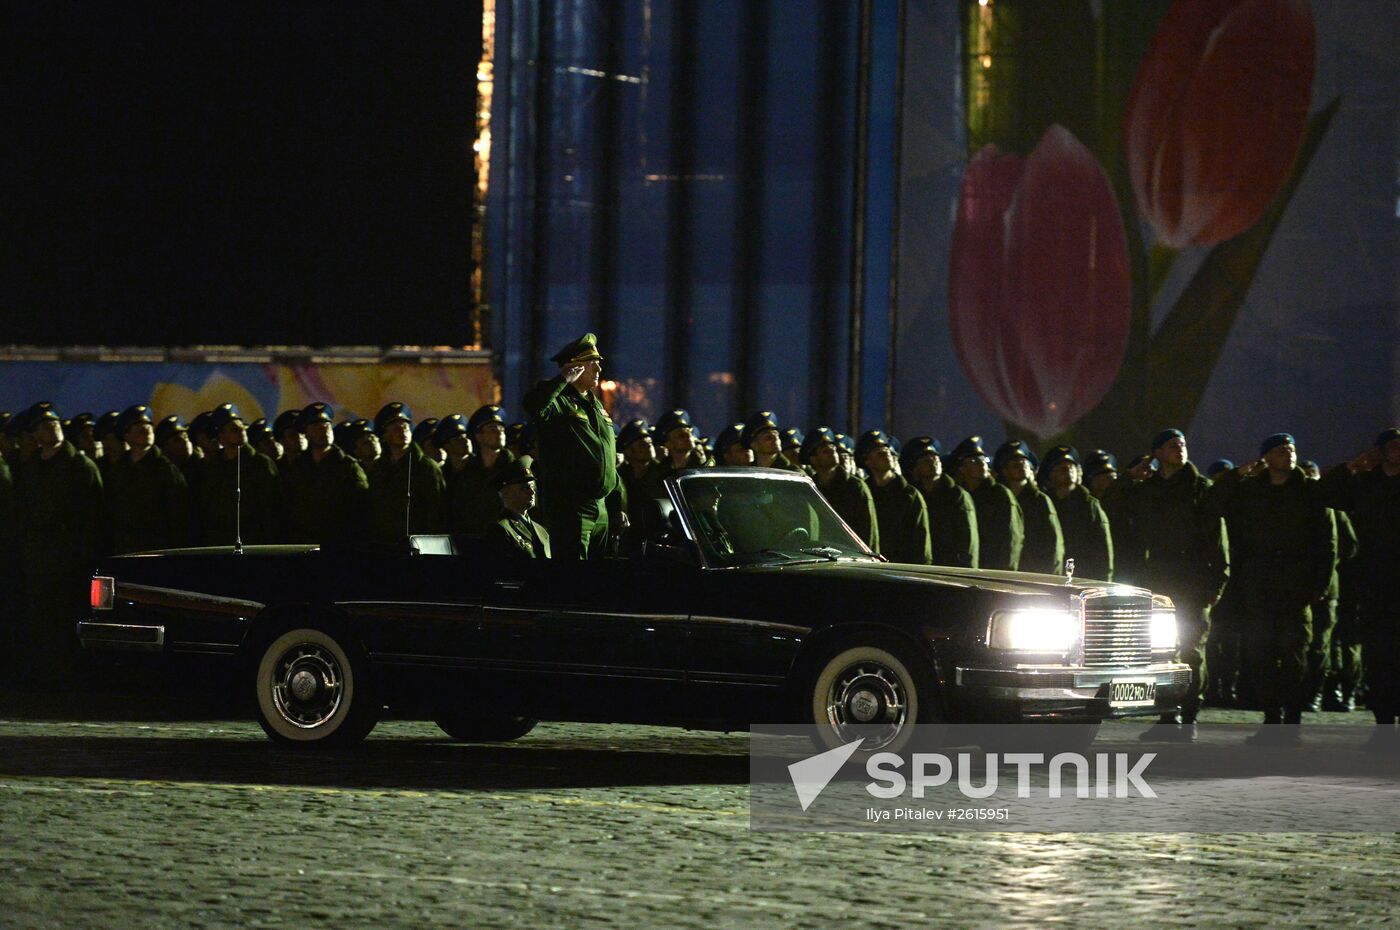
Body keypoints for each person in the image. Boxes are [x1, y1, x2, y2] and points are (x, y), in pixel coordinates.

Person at [1208, 434, 1334, 745]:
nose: (1287, 455)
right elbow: (1212, 504)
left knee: (1294, 656)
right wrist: (1237, 475)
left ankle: (1291, 724)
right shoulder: (1250, 491)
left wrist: (1320, 584)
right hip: (1258, 583)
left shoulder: (1310, 492)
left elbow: (1326, 543)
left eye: (1291, 450)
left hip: (1296, 584)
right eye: (1280, 451)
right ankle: (1271, 720)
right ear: (1266, 458)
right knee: (1260, 655)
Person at [1107, 428, 1227, 742]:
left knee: (1190, 651)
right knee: (1159, 652)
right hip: (1154, 582)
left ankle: (1187, 718)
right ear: (1157, 454)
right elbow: (1111, 507)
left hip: (1191, 581)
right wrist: (1128, 477)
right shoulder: (1146, 489)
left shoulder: (1201, 488)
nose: (1179, 449)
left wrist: (1216, 581)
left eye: (1183, 444)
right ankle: (1167, 716)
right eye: (1172, 445)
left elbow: (1217, 539)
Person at [1317, 427, 1400, 752]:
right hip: (1374, 584)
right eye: (1392, 447)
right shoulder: (1365, 484)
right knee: (1379, 657)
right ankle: (1383, 726)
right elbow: (1322, 495)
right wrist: (1352, 466)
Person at [13, 402, 104, 682]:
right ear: (33, 434)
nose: (51, 427)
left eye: (54, 422)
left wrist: (83, 556)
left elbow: (93, 515)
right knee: (41, 620)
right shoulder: (32, 468)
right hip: (39, 558)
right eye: (43, 425)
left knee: (66, 620)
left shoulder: (79, 465)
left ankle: (68, 676)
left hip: (68, 558)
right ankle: (45, 674)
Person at [523, 333, 624, 559]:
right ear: (574, 368)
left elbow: (607, 457)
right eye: (592, 363)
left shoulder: (594, 404)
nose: (598, 369)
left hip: (601, 507)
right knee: (573, 578)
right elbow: (534, 407)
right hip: (572, 506)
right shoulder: (558, 399)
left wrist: (616, 504)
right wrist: (562, 380)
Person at [104, 405, 190, 554]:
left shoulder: (166, 469)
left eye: (148, 428)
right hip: (125, 548)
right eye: (140, 430)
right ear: (127, 436)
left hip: (157, 548)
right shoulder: (118, 470)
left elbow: (179, 517)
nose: (146, 432)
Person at [282, 403, 369, 545]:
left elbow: (360, 509)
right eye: (317, 428)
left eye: (327, 426)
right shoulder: (298, 467)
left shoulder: (348, 466)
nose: (324, 431)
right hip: (304, 543)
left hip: (339, 543)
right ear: (307, 434)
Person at [199, 404, 282, 545]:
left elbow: (272, 508)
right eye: (233, 429)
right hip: (220, 542)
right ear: (221, 438)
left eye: (241, 427)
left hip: (254, 541)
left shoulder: (260, 464)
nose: (241, 431)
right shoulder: (213, 467)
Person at [364, 402, 446, 546]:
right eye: (396, 428)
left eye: (405, 427)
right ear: (385, 435)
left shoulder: (425, 467)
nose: (403, 431)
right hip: (384, 545)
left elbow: (437, 512)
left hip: (416, 546)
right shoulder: (379, 469)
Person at [901, 437, 977, 569]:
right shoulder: (913, 495)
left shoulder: (956, 494)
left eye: (935, 459)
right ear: (916, 468)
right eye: (926, 461)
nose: (933, 463)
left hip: (951, 568)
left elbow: (968, 540)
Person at [1038, 445, 1113, 581]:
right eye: (1061, 468)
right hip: (1049, 581)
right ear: (1049, 475)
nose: (1068, 470)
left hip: (1084, 580)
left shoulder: (1089, 505)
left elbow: (1103, 552)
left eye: (1071, 467)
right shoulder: (1041, 504)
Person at [949, 436, 1023, 571]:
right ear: (961, 469)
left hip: (993, 574)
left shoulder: (999, 495)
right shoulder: (958, 496)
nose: (982, 464)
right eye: (974, 461)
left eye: (984, 459)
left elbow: (1011, 540)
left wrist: (1004, 578)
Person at [857, 430, 930, 564]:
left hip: (902, 570)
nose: (888, 456)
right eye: (881, 453)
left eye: (889, 452)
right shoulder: (862, 493)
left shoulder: (909, 494)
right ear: (868, 461)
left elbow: (921, 542)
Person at [994, 440, 1064, 574]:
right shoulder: (997, 500)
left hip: (1033, 573)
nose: (1022, 466)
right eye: (1015, 464)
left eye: (1024, 463)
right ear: (1004, 471)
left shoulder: (1040, 501)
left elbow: (1053, 544)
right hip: (1002, 573)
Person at [802, 427, 878, 551]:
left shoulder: (855, 486)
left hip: (851, 557)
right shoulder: (810, 487)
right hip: (820, 556)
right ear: (813, 459)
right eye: (825, 451)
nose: (832, 453)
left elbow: (868, 531)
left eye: (833, 449)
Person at [449, 405, 517, 536]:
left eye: (501, 429)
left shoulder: (514, 469)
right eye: (492, 429)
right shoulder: (467, 474)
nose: (499, 432)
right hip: (475, 544)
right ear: (479, 436)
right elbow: (459, 512)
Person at [485, 459, 551, 559]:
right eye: (525, 488)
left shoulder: (541, 530)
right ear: (505, 493)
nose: (532, 492)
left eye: (532, 487)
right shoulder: (501, 529)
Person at [617, 419, 664, 526]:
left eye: (650, 443)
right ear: (628, 451)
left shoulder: (663, 473)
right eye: (642, 445)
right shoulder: (620, 476)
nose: (649, 446)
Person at [654, 409, 708, 473]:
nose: (688, 436)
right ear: (669, 444)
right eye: (681, 435)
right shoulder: (661, 472)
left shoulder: (704, 464)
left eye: (689, 432)